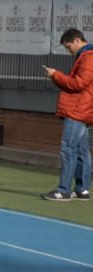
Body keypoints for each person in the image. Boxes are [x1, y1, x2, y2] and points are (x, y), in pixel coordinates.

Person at [41, 28, 93, 201]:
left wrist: (56, 75)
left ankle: (63, 190)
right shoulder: (86, 56)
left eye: (68, 46)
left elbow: (78, 84)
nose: (68, 50)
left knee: (68, 149)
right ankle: (81, 190)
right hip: (83, 109)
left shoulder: (88, 57)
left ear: (77, 40)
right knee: (81, 150)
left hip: (78, 110)